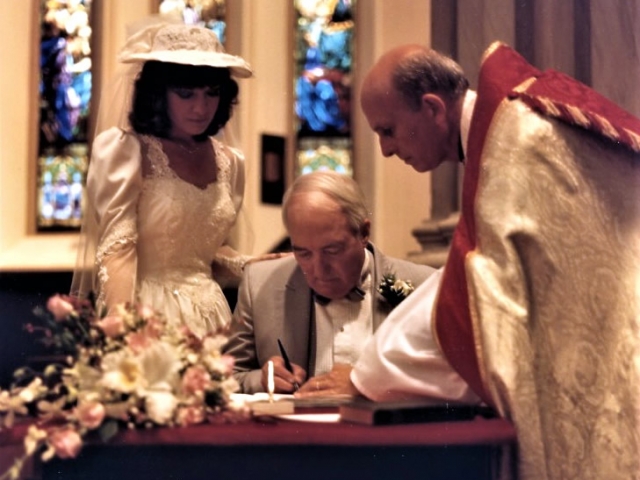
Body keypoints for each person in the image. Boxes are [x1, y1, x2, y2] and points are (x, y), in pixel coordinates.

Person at [355, 41, 640, 480]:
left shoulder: (518, 143)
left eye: (387, 130)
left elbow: (479, 302)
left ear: (432, 108)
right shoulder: (503, 132)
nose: (386, 151)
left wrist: (370, 371)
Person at [70, 23, 272, 337]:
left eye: (211, 93)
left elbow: (201, 246)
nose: (201, 107)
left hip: (213, 316)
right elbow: (117, 249)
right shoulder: (125, 151)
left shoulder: (231, 163)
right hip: (148, 312)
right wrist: (125, 330)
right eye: (185, 93)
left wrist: (250, 263)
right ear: (158, 93)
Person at [223, 170, 442, 395]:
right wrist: (261, 380)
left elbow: (445, 378)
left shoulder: (419, 285)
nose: (319, 270)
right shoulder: (260, 284)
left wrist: (369, 382)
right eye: (304, 254)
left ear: (364, 232)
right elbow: (226, 376)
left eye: (332, 250)